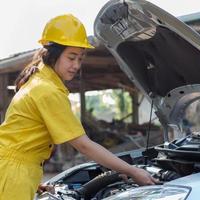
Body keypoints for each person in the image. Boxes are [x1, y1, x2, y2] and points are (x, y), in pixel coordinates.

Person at [0, 14, 157, 200]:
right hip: (14, 172)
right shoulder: (47, 90)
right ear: (53, 54)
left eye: (80, 59)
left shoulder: (39, 79)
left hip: (15, 168)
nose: (76, 65)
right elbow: (83, 145)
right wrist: (132, 171)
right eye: (71, 57)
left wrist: (33, 181)